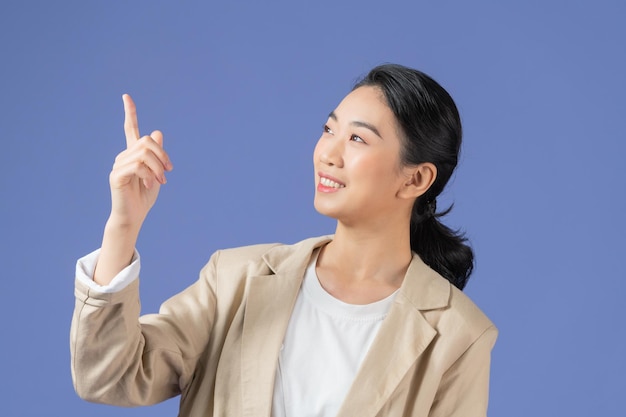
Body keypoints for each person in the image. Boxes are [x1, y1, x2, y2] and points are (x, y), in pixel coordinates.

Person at [70, 64, 497, 417]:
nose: (328, 152)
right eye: (329, 129)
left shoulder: (458, 335)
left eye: (357, 139)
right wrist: (123, 226)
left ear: (416, 178)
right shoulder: (236, 279)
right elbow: (109, 377)